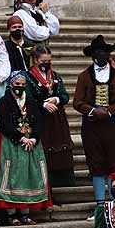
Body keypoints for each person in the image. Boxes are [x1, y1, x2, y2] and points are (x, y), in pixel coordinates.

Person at [73, 35, 115, 213]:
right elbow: (77, 101)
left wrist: (109, 110)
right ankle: (100, 206)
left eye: (104, 52)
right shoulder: (84, 76)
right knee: (95, 164)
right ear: (92, 55)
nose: (101, 55)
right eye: (98, 52)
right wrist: (92, 110)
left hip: (112, 124)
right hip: (91, 126)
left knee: (113, 164)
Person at [0, 71, 51, 226]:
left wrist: (34, 138)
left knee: (29, 176)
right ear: (11, 84)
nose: (20, 87)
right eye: (17, 84)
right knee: (12, 176)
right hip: (11, 143)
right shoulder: (4, 102)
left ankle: (25, 213)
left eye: (23, 85)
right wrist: (20, 137)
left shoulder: (31, 102)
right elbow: (4, 123)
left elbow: (39, 121)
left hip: (31, 144)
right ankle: (11, 215)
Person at [27, 47, 75, 189]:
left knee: (60, 146)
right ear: (36, 60)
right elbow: (28, 98)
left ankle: (61, 180)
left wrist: (56, 99)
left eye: (49, 61)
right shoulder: (28, 77)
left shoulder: (55, 76)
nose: (46, 64)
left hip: (57, 118)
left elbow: (65, 95)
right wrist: (43, 104)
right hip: (39, 118)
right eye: (43, 61)